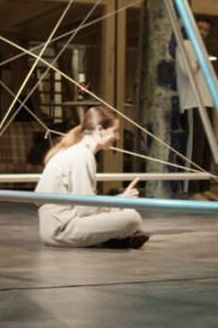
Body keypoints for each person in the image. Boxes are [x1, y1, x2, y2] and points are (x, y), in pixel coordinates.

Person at [35, 106, 149, 248]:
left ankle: (116, 239)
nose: (118, 137)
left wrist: (120, 202)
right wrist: (121, 202)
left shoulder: (76, 152)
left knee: (126, 212)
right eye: (115, 131)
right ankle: (116, 238)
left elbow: (86, 205)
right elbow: (87, 210)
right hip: (61, 230)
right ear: (100, 129)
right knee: (133, 218)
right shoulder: (82, 156)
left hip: (55, 228)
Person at [178, 14, 218, 201]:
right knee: (194, 148)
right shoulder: (184, 45)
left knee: (207, 149)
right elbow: (186, 71)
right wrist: (200, 61)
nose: (203, 32)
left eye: (206, 29)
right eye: (200, 27)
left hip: (207, 102)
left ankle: (204, 187)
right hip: (192, 103)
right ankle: (191, 190)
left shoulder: (203, 49)